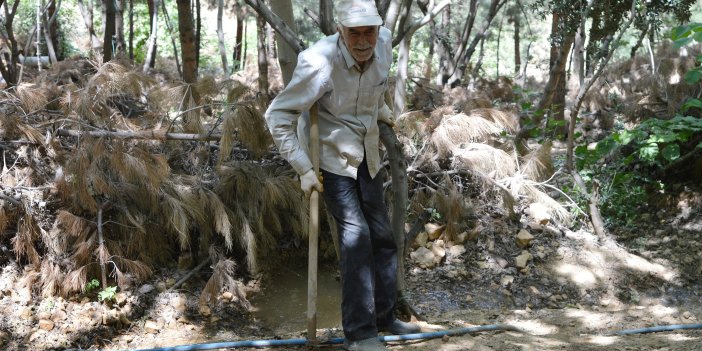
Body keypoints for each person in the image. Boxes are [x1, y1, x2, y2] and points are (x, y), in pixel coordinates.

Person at [264, 1, 421, 350]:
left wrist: (380, 109)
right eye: (355, 33)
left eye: (369, 31)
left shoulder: (383, 45)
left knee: (381, 236)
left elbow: (376, 85)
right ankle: (360, 332)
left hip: (367, 150)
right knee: (357, 237)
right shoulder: (318, 63)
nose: (363, 40)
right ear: (340, 30)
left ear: (379, 30)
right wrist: (304, 168)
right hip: (331, 157)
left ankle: (385, 317)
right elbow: (278, 116)